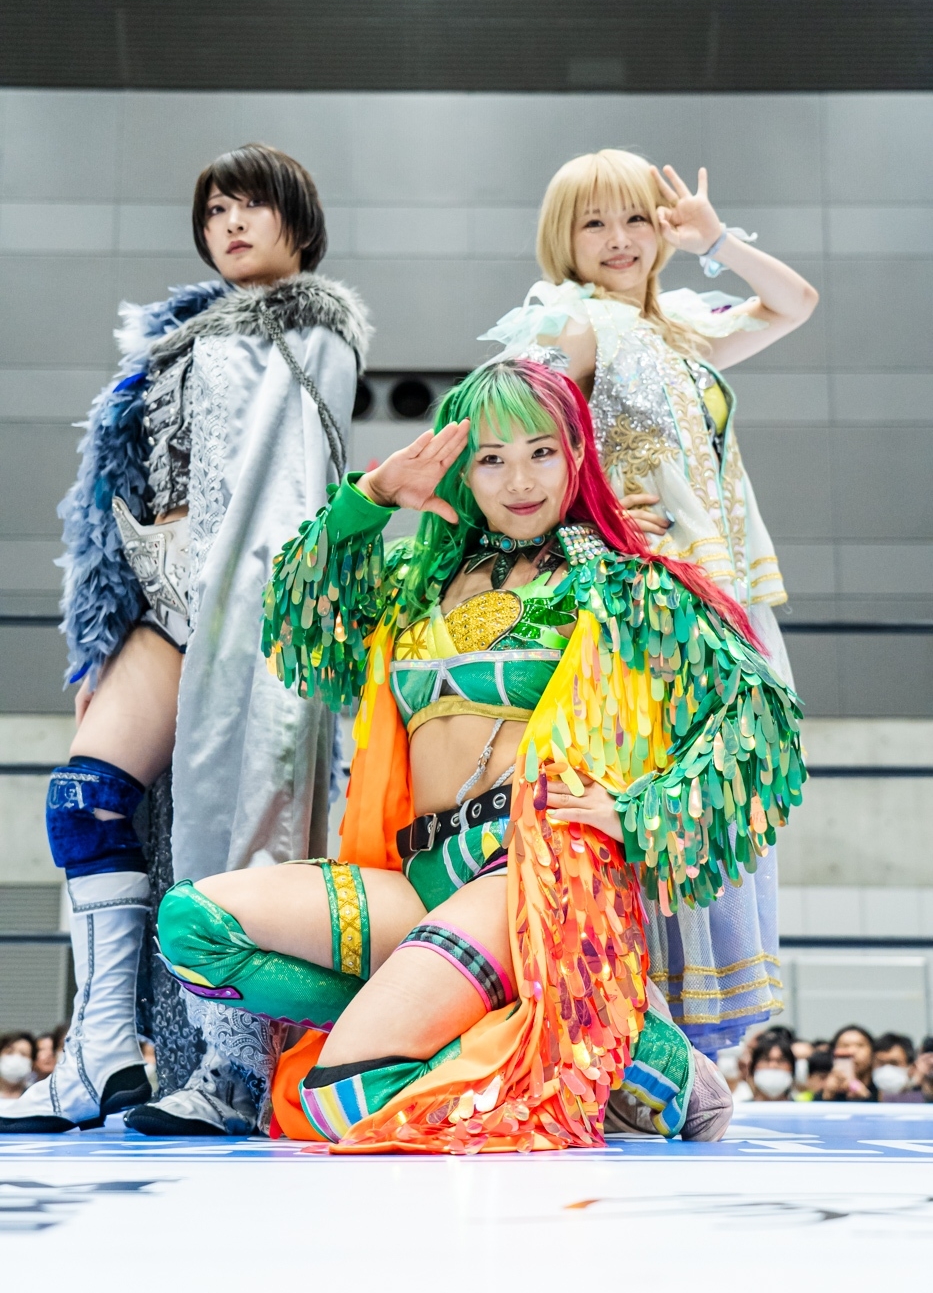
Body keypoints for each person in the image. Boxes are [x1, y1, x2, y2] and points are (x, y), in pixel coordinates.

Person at [154, 357, 804, 1152]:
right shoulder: (414, 581)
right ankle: (592, 1032)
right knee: (194, 926)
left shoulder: (624, 583)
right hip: (418, 875)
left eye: (541, 452)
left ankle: (629, 1051)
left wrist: (637, 813)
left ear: (577, 454)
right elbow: (298, 614)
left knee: (340, 1098)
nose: (518, 480)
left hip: (525, 876)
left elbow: (759, 715)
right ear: (461, 470)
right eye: (490, 458)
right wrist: (372, 497)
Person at [0, 144, 369, 1138]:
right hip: (158, 606)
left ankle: (234, 1065)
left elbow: (281, 494)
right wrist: (103, 636)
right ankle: (100, 1050)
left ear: (298, 220)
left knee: (240, 818)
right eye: (214, 210)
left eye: (252, 205)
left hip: (248, 607)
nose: (231, 223)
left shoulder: (309, 332)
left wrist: (245, 618)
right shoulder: (175, 339)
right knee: (85, 801)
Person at [480, 149, 818, 1056]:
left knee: (714, 800)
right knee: (655, 802)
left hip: (717, 599)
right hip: (650, 608)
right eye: (593, 222)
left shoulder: (677, 327)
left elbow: (794, 302)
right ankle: (637, 1043)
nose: (619, 239)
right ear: (562, 237)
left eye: (635, 217)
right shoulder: (572, 324)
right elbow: (501, 435)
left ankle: (683, 1056)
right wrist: (588, 510)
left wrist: (716, 241)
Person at [816, 1025, 878, 1102]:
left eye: (860, 1045)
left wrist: (865, 1096)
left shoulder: (882, 1091)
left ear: (872, 1052)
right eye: (845, 1046)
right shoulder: (825, 1091)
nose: (852, 1052)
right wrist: (827, 1095)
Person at [872, 1032, 920, 1102]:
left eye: (894, 1063)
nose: (886, 1069)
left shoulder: (923, 1104)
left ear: (912, 1068)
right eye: (881, 1063)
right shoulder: (863, 1103)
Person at [747, 1034, 795, 1101]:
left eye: (781, 1060)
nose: (773, 1066)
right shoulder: (738, 1107)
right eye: (766, 1059)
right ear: (753, 1067)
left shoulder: (804, 1107)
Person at [0, 1033, 37, 1109]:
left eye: (23, 1054)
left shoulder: (35, 1099)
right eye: (9, 1052)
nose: (16, 1058)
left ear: (32, 1064)